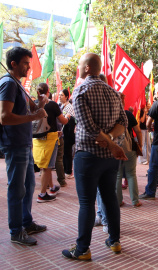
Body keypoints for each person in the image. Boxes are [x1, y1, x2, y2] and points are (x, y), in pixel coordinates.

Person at [62, 53, 128, 260]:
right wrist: (112, 144)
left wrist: (108, 141)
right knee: (110, 199)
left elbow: (89, 127)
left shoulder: (81, 90)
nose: (78, 68)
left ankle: (82, 249)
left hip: (88, 155)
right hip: (109, 158)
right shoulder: (113, 92)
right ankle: (114, 241)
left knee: (87, 202)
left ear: (88, 68)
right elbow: (122, 123)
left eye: (80, 64)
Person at [0, 47, 47, 245]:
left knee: (28, 185)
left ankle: (26, 222)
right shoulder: (8, 84)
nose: (29, 67)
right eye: (26, 63)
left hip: (24, 144)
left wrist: (40, 105)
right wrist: (34, 116)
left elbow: (29, 109)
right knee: (17, 188)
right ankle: (16, 230)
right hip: (15, 144)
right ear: (14, 64)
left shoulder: (17, 85)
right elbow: (4, 117)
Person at [32, 83, 70, 202]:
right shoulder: (52, 104)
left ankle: (52, 187)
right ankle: (42, 194)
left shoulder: (33, 104)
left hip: (37, 138)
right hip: (49, 139)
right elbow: (63, 121)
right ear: (48, 92)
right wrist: (68, 117)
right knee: (47, 167)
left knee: (44, 165)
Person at [116, 93, 143, 207]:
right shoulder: (128, 114)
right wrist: (140, 145)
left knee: (117, 175)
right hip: (129, 148)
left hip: (115, 148)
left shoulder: (111, 115)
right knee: (131, 174)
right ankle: (135, 200)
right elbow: (138, 131)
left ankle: (118, 201)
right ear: (123, 102)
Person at [59, 89, 75, 178]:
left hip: (68, 134)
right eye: (59, 95)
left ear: (66, 97)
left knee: (68, 152)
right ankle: (65, 170)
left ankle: (69, 171)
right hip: (63, 133)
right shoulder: (61, 106)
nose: (60, 96)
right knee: (64, 152)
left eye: (61, 95)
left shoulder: (70, 107)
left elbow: (70, 121)